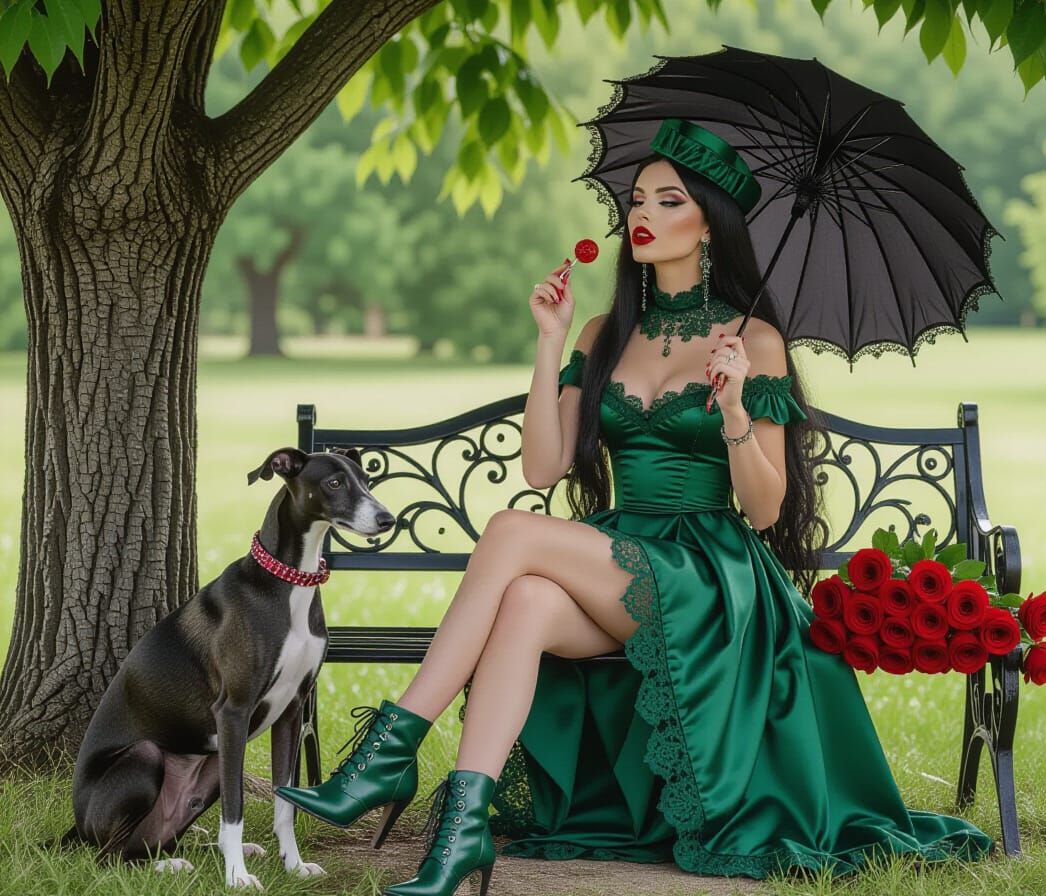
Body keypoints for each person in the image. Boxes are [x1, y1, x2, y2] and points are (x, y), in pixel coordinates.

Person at [275, 118, 995, 894]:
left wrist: (732, 412)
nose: (641, 214)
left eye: (668, 200)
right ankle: (461, 838)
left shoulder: (754, 341)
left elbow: (764, 507)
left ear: (709, 225)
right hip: (622, 556)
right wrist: (550, 341)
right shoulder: (604, 330)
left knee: (515, 533)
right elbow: (545, 466)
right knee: (523, 597)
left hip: (710, 573)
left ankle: (392, 750)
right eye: (637, 198)